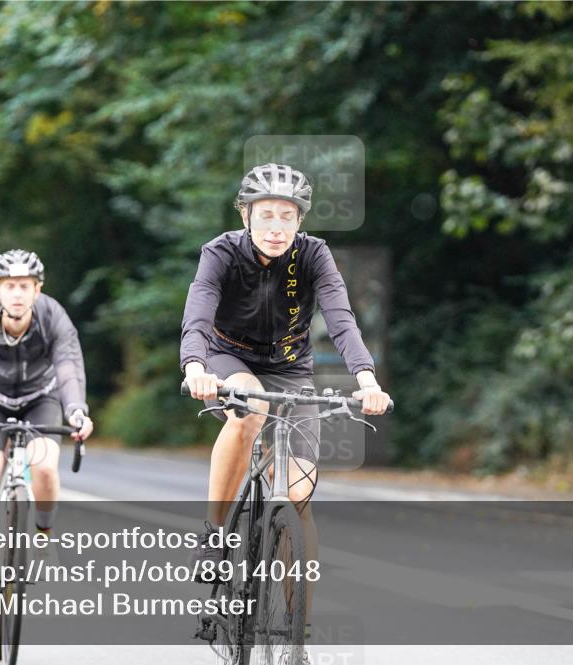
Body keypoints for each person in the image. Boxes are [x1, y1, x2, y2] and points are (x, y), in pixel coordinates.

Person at [180, 163, 391, 653]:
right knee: (250, 409)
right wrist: (195, 366)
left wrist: (366, 378)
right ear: (246, 215)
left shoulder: (315, 255)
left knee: (299, 498)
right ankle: (215, 532)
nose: (277, 226)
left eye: (288, 216)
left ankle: (299, 628)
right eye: (266, 214)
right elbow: (199, 310)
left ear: (300, 221)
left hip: (292, 369)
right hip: (226, 357)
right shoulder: (222, 253)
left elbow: (340, 319)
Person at [0, 249, 93, 611]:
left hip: (39, 399)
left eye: (25, 286)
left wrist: (76, 411)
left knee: (44, 467)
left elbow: (68, 366)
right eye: (10, 286)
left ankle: (44, 539)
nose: (17, 293)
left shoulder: (53, 316)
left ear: (37, 290)